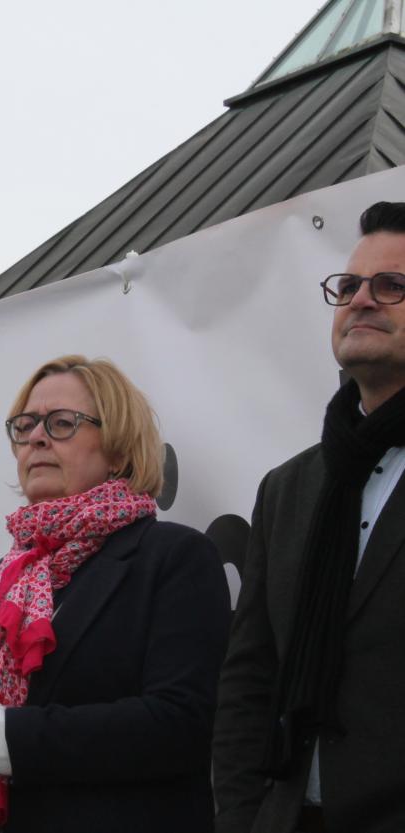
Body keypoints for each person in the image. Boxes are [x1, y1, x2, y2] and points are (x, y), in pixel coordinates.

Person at [0, 355, 230, 833]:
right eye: (25, 425)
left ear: (118, 447)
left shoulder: (173, 557)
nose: (37, 438)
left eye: (62, 423)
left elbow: (180, 725)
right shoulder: (3, 575)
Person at [213, 202, 405, 833]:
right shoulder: (289, 487)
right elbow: (250, 679)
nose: (361, 301)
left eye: (392, 286)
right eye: (349, 285)